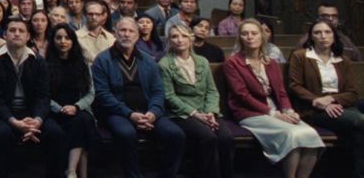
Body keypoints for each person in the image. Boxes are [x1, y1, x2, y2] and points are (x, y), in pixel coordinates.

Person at [288, 20, 364, 178]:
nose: (323, 36)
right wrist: (318, 101)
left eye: (327, 32)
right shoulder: (301, 56)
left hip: (340, 106)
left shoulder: (342, 59)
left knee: (360, 134)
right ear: (311, 37)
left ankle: (362, 175)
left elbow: (352, 93)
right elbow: (295, 86)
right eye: (317, 33)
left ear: (334, 36)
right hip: (313, 108)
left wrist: (331, 99)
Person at [223, 20, 323, 178]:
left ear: (262, 37)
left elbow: (281, 93)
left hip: (276, 110)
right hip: (250, 113)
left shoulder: (271, 62)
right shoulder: (233, 62)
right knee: (293, 135)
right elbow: (242, 95)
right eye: (245, 34)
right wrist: (273, 113)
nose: (249, 37)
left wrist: (289, 111)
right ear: (240, 38)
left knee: (310, 134)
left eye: (254, 33)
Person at [91, 16, 186, 178]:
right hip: (117, 112)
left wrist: (153, 113)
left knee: (176, 134)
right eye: (122, 30)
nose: (126, 34)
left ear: (137, 35)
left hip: (148, 111)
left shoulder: (147, 59)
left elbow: (157, 91)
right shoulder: (102, 60)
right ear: (115, 33)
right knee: (127, 134)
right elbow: (103, 95)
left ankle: (165, 175)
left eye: (131, 31)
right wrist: (130, 114)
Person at [0, 18, 67, 178]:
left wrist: (37, 120)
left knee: (56, 133)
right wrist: (13, 122)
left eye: (21, 31)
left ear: (28, 37)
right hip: (1, 114)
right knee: (2, 134)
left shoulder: (38, 61)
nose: (16, 34)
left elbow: (43, 96)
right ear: (4, 35)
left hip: (31, 113)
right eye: (12, 30)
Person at [158, 24, 234, 178]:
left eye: (184, 36)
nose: (179, 40)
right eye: (174, 36)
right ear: (169, 40)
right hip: (181, 113)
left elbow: (212, 91)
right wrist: (195, 114)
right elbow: (169, 96)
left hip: (206, 110)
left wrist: (210, 112)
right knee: (208, 137)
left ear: (191, 38)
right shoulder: (164, 64)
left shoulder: (202, 61)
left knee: (226, 137)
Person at [45, 23, 98, 178]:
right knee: (75, 126)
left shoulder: (83, 64)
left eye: (67, 38)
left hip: (78, 109)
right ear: (53, 41)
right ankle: (76, 172)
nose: (63, 41)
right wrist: (59, 108)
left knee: (84, 120)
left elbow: (90, 93)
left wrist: (76, 106)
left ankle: (71, 171)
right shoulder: (44, 64)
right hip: (55, 111)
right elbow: (43, 95)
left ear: (73, 41)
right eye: (59, 38)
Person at [294, 3, 362, 61]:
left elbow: (358, 62)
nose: (330, 19)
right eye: (325, 16)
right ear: (317, 18)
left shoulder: (345, 40)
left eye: (334, 16)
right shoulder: (306, 40)